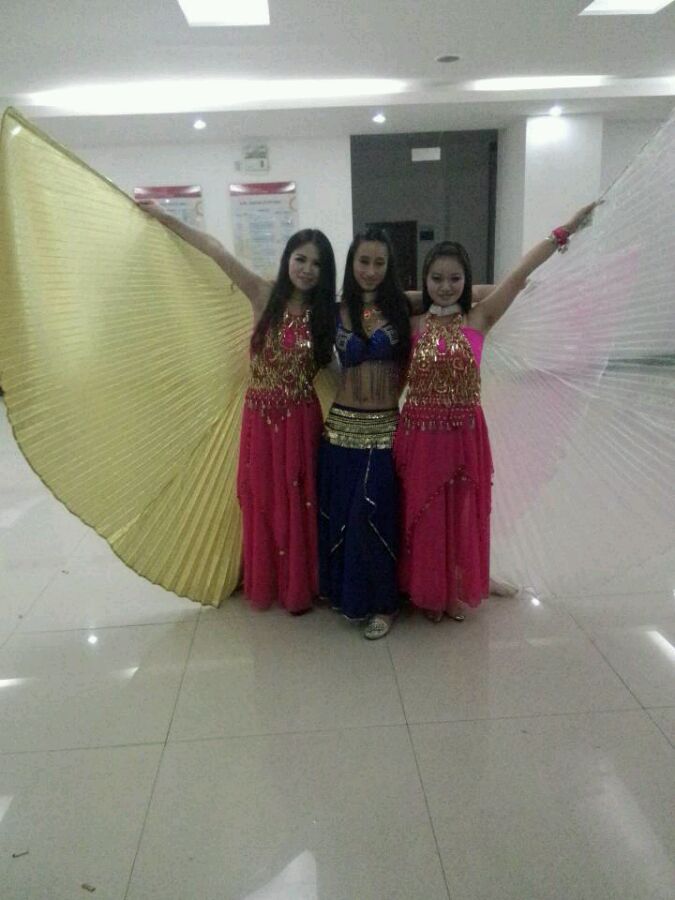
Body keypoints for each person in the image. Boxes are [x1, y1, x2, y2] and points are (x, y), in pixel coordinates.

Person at [394, 203, 596, 622]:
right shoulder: (412, 324)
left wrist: (563, 231)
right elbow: (375, 296)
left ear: (466, 281)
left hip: (464, 433)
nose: (445, 287)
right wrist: (418, 298)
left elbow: (519, 276)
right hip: (419, 435)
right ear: (424, 281)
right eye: (436, 279)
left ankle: (457, 583)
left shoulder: (480, 317)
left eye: (455, 279)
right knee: (425, 511)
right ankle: (428, 587)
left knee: (461, 509)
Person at [138, 201, 336, 613]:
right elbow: (217, 251)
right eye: (301, 259)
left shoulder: (326, 314)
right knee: (261, 497)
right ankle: (267, 578)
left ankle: (300, 583)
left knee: (300, 499)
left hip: (301, 422)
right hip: (260, 420)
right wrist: (166, 218)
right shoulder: (262, 294)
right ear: (287, 259)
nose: (307, 269)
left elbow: (384, 300)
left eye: (317, 263)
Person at [318, 228, 411, 639]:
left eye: (379, 263)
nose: (371, 270)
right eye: (363, 261)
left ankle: (385, 605)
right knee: (343, 516)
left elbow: (462, 293)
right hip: (341, 429)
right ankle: (349, 596)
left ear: (389, 267)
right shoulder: (334, 310)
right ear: (351, 263)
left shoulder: (403, 307)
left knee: (373, 516)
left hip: (386, 429)